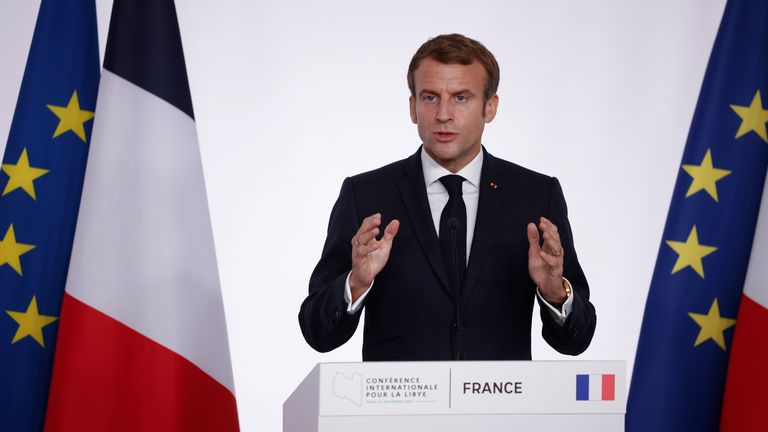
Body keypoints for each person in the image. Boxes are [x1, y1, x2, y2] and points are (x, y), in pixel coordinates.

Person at [299, 34, 596, 361]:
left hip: (501, 406)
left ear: (490, 107)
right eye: (429, 97)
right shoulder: (367, 195)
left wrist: (555, 292)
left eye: (461, 98)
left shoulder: (535, 195)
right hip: (397, 408)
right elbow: (318, 332)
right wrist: (355, 283)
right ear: (412, 108)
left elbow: (576, 340)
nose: (443, 114)